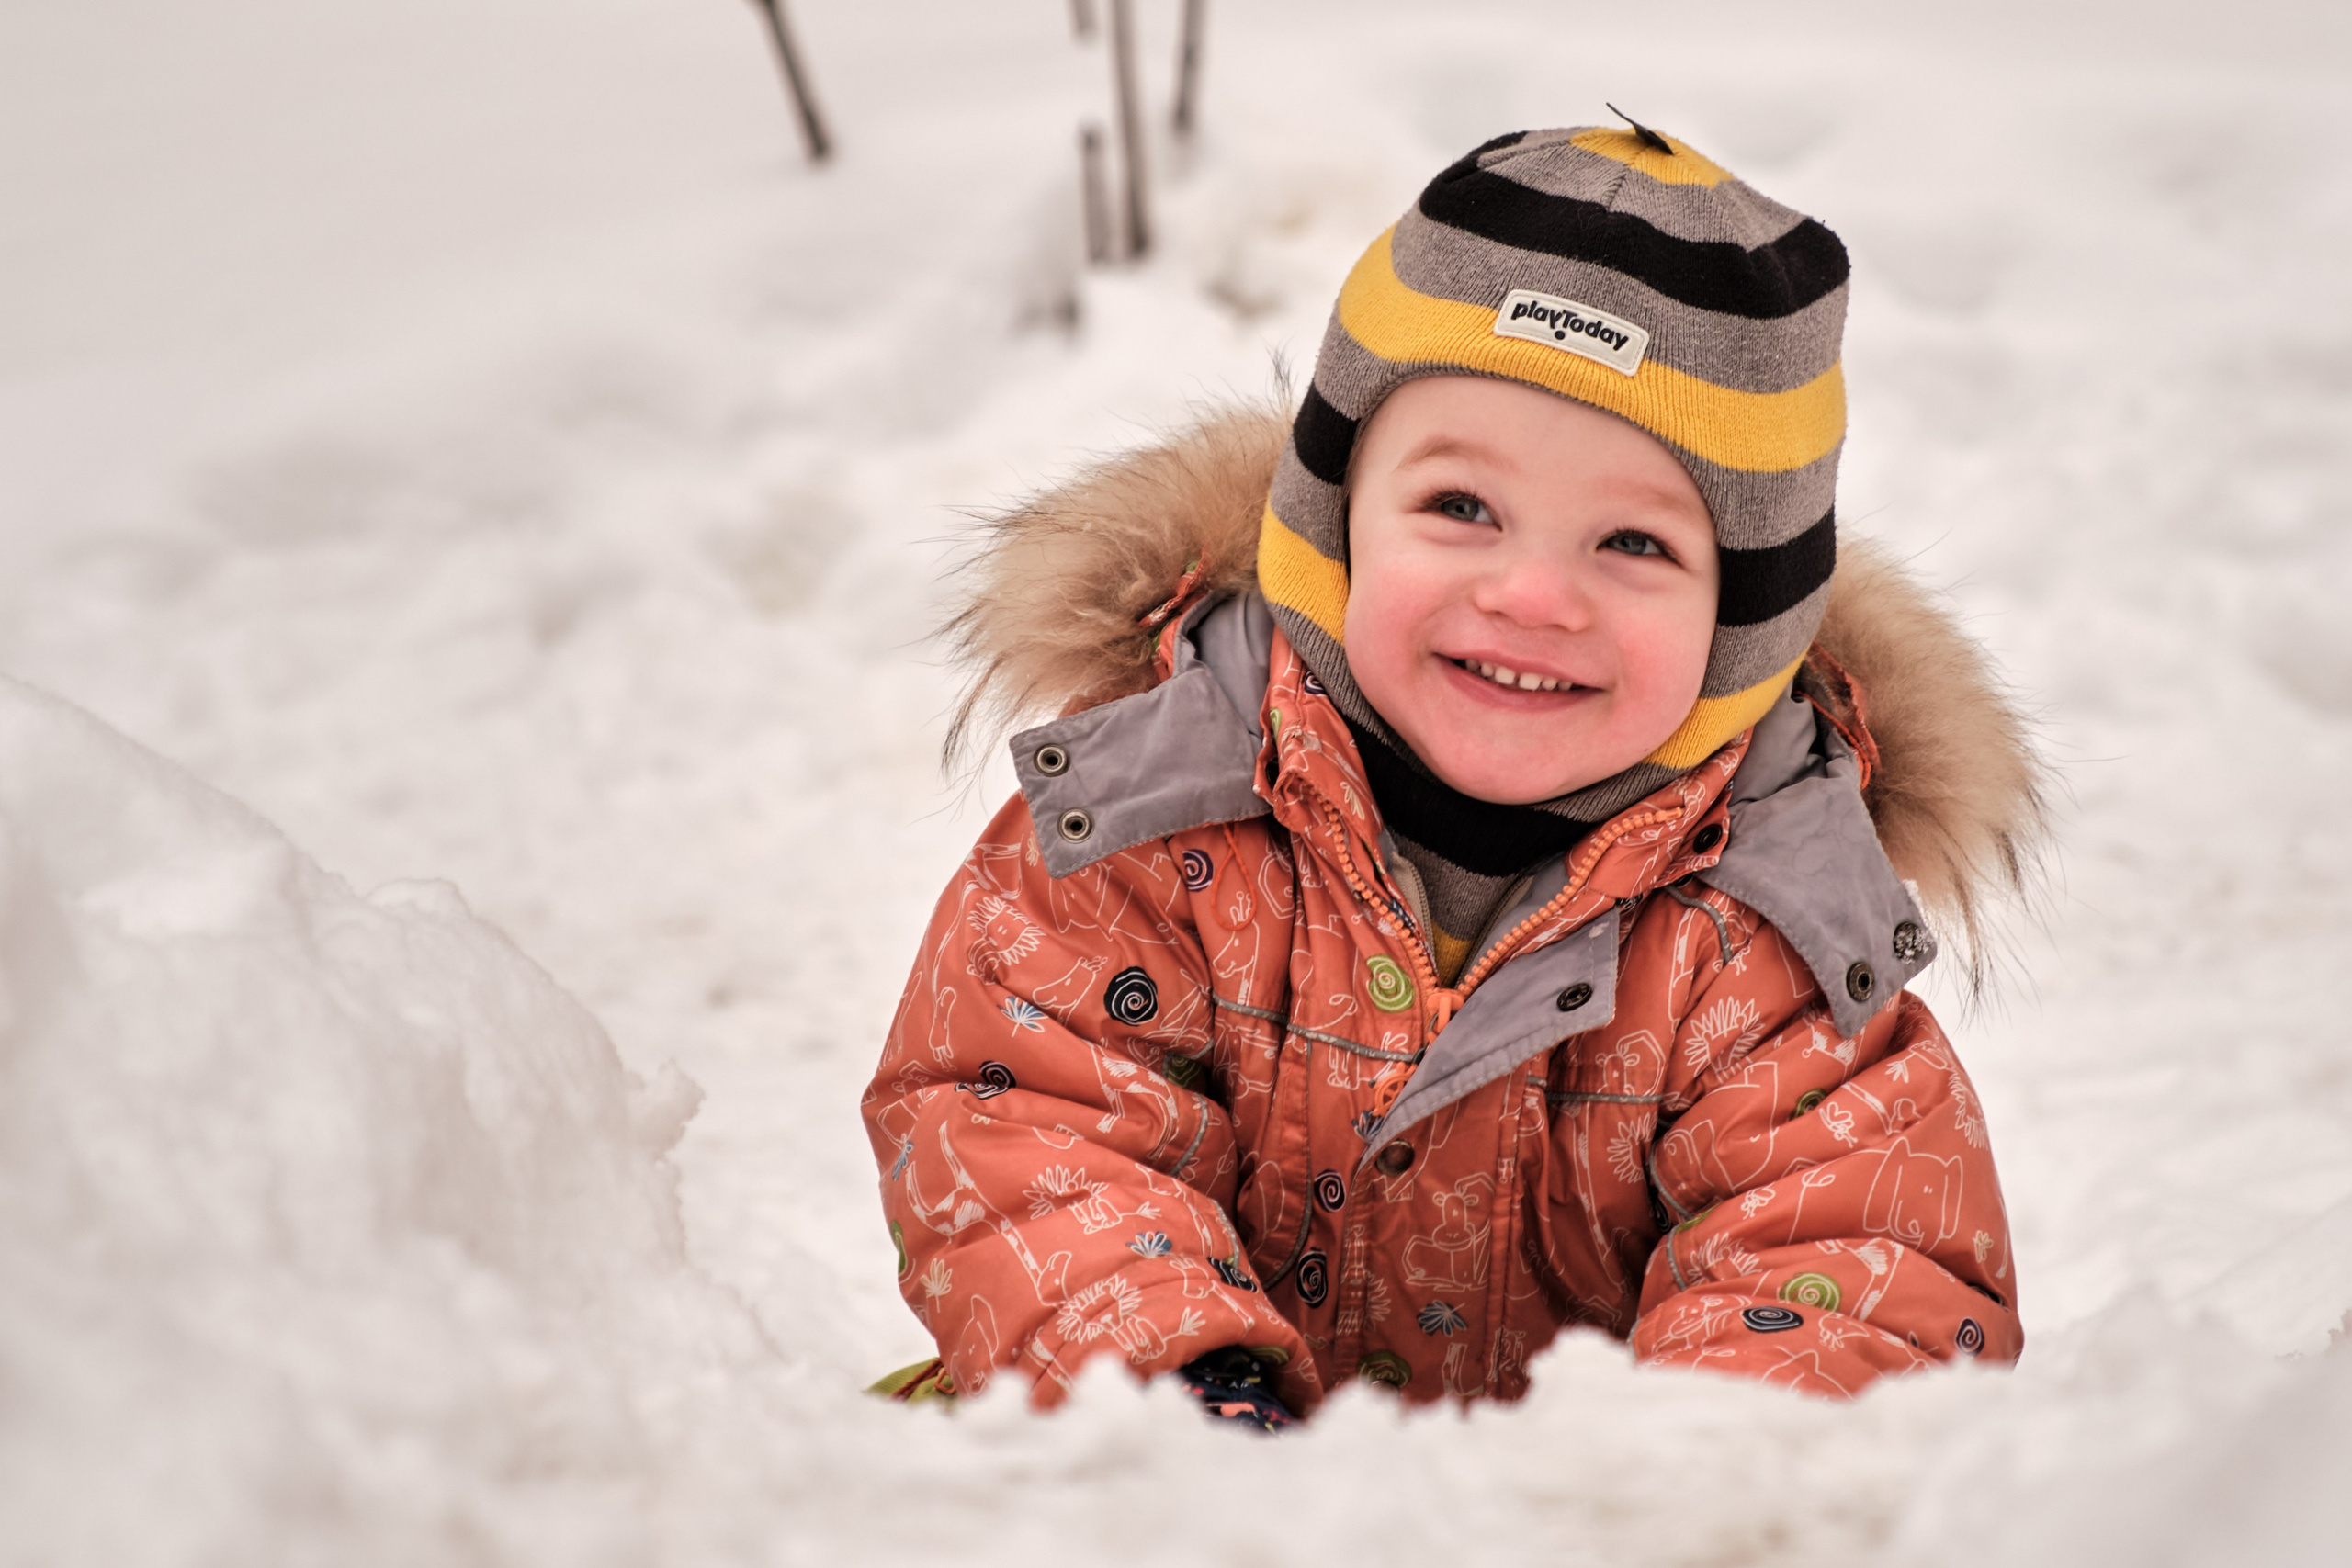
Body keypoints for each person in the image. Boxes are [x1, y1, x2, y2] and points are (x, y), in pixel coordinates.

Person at [861, 121, 2044, 1427]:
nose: (1533, 595)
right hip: (1167, 1478)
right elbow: (1021, 1111)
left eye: (1634, 542)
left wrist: (1672, 1475)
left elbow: (1849, 1260)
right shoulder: (1155, 808)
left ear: (1747, 623)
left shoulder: (1769, 931)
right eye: (1462, 509)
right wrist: (1172, 1392)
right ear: (1334, 524)